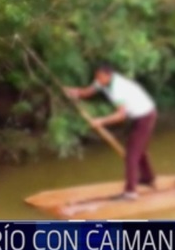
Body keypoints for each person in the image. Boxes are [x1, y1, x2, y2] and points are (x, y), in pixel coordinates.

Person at [64, 63, 157, 200]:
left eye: (100, 77)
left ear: (109, 76)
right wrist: (75, 92)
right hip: (137, 115)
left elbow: (121, 115)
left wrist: (100, 121)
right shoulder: (102, 81)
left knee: (132, 153)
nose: (97, 80)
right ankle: (148, 178)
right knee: (139, 149)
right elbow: (88, 91)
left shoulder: (118, 89)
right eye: (96, 77)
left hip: (146, 115)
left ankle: (130, 192)